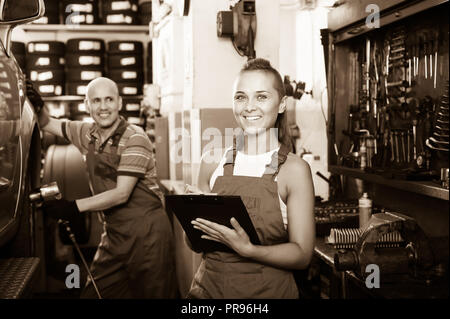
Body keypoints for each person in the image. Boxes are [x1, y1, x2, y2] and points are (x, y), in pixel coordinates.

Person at [27, 77, 178, 299]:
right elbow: (47, 123)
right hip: (114, 235)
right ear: (87, 105)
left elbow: (121, 194)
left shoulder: (136, 138)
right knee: (93, 294)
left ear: (120, 103)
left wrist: (73, 207)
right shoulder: (86, 134)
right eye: (96, 101)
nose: (103, 107)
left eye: (109, 99)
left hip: (148, 237)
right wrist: (37, 106)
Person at [186, 58, 315, 299]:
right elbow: (195, 245)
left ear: (282, 104)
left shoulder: (294, 170)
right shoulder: (212, 161)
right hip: (208, 292)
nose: (249, 107)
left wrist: (249, 250)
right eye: (241, 97)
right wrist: (193, 218)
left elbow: (302, 254)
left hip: (267, 293)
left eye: (262, 97)